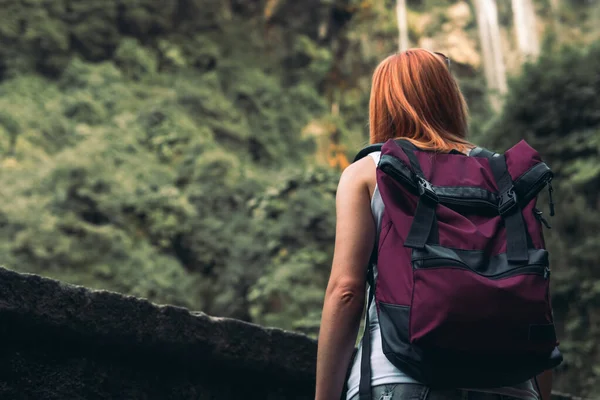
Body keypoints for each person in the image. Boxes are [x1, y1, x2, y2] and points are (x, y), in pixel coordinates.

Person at [315, 49, 553, 400]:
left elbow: (346, 292)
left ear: (382, 104)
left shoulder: (370, 171)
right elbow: (537, 297)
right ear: (450, 98)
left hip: (401, 378)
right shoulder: (506, 177)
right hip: (511, 387)